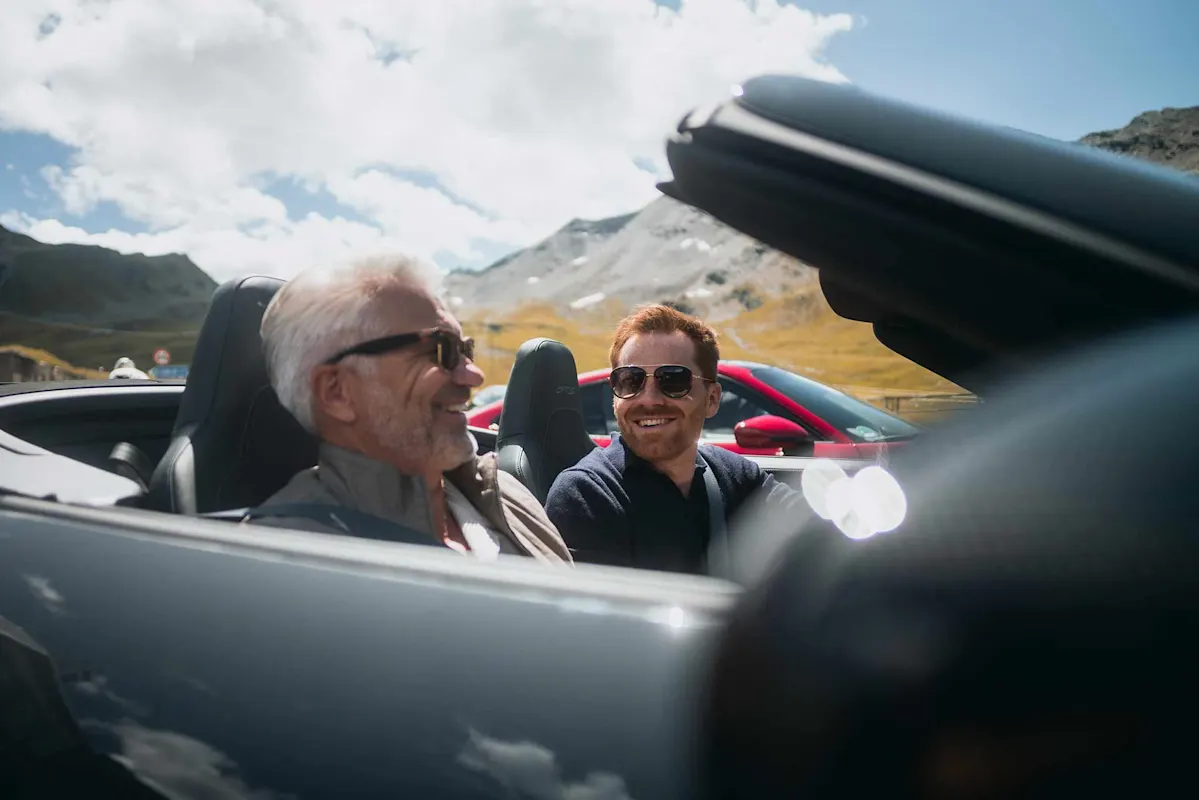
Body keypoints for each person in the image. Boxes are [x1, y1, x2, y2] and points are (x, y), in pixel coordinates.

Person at [245, 255, 572, 566]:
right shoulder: (281, 560)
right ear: (337, 392)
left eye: (466, 351)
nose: (474, 375)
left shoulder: (506, 494)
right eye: (440, 350)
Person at [545, 304, 803, 577]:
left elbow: (819, 536)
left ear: (712, 399)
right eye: (630, 381)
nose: (649, 399)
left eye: (673, 380)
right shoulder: (586, 494)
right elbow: (607, 617)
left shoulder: (736, 476)